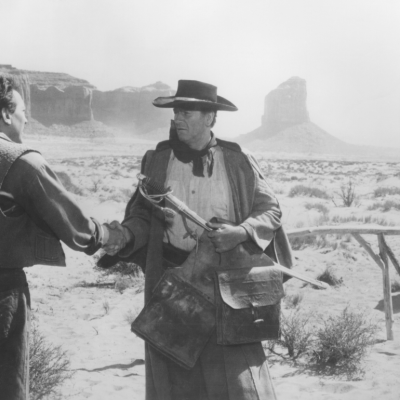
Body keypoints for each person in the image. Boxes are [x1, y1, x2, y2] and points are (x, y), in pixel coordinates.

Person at [100, 80, 293, 400]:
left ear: (209, 118)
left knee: (237, 380)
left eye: (186, 112)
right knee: (176, 381)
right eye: (175, 112)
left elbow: (270, 211)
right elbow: (143, 217)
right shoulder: (157, 160)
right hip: (175, 282)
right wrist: (125, 235)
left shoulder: (237, 160)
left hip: (228, 283)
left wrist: (240, 232)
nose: (177, 118)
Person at [0, 75, 106, 400]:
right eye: (22, 108)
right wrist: (110, 237)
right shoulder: (21, 162)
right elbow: (77, 227)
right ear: (5, 113)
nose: (27, 117)